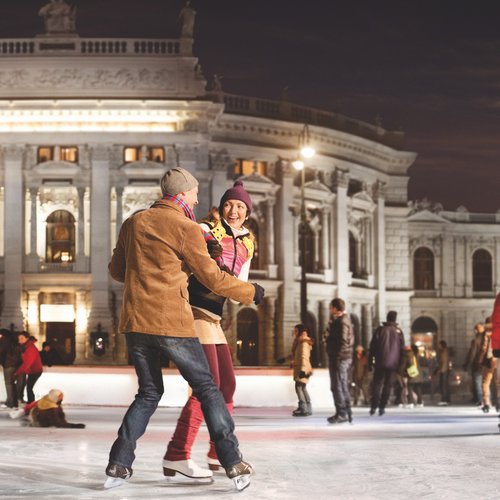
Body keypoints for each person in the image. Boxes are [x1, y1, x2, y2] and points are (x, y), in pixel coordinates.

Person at [104, 167, 264, 492]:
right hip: (173, 322)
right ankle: (231, 460)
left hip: (136, 323)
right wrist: (251, 292)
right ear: (183, 193)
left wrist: (147, 268)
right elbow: (213, 279)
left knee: (148, 394)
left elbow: (117, 271)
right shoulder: (187, 227)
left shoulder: (134, 222)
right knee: (208, 390)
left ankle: (119, 463)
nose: (197, 198)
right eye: (194, 193)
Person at [163, 180, 256, 476]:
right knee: (209, 386)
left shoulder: (248, 243)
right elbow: (188, 252)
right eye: (229, 204)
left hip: (214, 319)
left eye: (240, 206)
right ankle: (178, 453)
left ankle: (217, 454)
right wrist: (207, 247)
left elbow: (236, 286)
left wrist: (248, 289)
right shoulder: (205, 229)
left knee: (226, 386)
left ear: (247, 212)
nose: (234, 210)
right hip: (195, 312)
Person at [368, 310, 404, 416]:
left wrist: (371, 361)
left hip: (380, 361)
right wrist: (400, 365)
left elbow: (372, 346)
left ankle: (374, 406)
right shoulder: (399, 332)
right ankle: (382, 407)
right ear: (395, 319)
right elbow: (402, 350)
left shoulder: (380, 330)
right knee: (388, 385)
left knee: (377, 384)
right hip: (393, 363)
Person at [324, 298, 354, 424]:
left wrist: (337, 356)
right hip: (340, 357)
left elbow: (343, 341)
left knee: (337, 386)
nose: (330, 310)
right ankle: (345, 412)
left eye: (331, 307)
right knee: (340, 385)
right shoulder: (339, 321)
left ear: (336, 308)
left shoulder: (342, 322)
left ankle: (342, 413)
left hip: (339, 358)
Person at [9, 388, 85, 428]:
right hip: (40, 423)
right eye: (60, 397)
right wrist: (72, 426)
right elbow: (57, 423)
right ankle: (30, 422)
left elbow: (31, 405)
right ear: (55, 398)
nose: (62, 399)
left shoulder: (46, 399)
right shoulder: (50, 408)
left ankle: (29, 421)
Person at [291, 324, 314, 417]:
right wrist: (284, 359)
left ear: (300, 332)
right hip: (304, 368)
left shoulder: (303, 343)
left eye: (296, 331)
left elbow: (304, 357)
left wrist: (303, 370)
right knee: (303, 387)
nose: (294, 332)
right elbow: (296, 354)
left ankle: (303, 409)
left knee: (298, 387)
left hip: (303, 368)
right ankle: (308, 408)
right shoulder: (300, 342)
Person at [15, 331, 43, 404]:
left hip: (36, 371)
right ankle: (31, 403)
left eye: (22, 338)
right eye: (19, 339)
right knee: (29, 387)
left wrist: (17, 372)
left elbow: (27, 363)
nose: (19, 341)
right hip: (32, 371)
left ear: (27, 338)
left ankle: (31, 403)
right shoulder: (25, 347)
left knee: (29, 387)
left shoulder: (30, 348)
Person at [463, 324, 485, 406]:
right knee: (486, 382)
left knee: (477, 382)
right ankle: (486, 399)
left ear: (476, 330)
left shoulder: (476, 340)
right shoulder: (487, 338)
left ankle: (479, 399)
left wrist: (467, 364)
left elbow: (472, 353)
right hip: (487, 364)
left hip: (477, 364)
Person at [0, 329, 22, 409]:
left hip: (8, 364)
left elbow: (1, 352)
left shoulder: (4, 341)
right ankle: (14, 402)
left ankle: (10, 402)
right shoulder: (14, 342)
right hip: (16, 365)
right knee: (12, 383)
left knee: (8, 383)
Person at [435, 340, 450, 405]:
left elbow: (442, 362)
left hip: (443, 370)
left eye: (439, 345)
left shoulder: (443, 352)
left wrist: (438, 369)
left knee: (443, 385)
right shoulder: (445, 351)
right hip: (445, 369)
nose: (438, 346)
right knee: (445, 385)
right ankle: (447, 399)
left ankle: (444, 400)